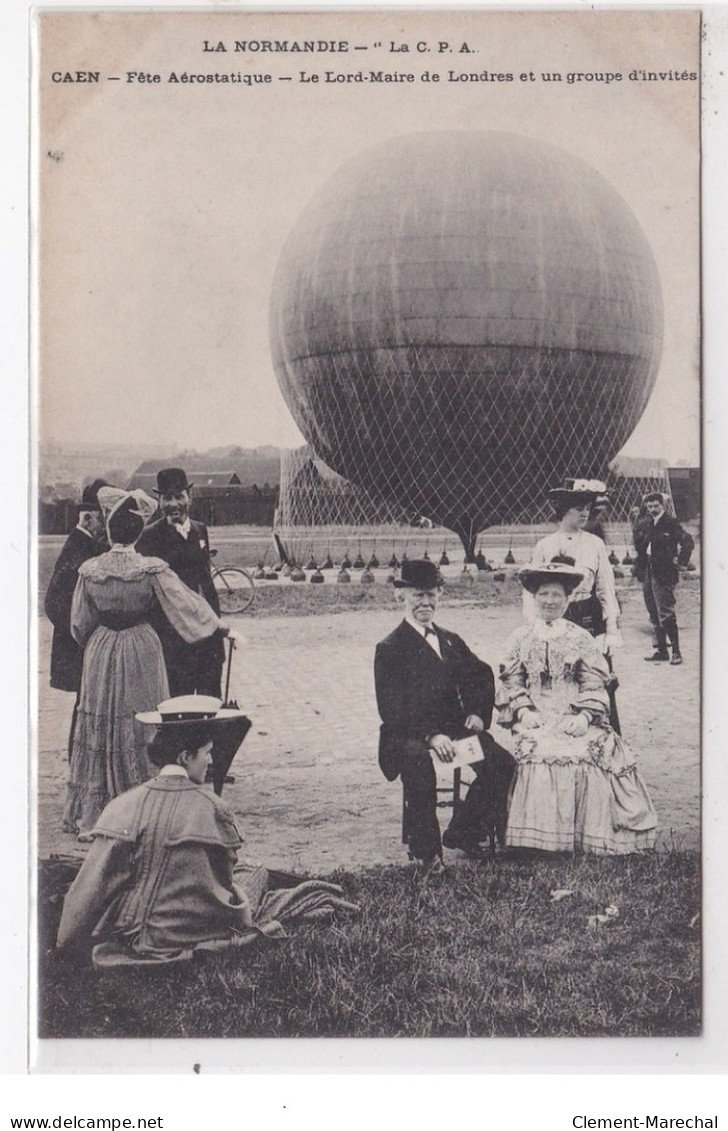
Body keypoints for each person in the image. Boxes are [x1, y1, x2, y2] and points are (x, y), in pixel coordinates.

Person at [64, 487, 234, 838]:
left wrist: (100, 642)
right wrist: (218, 626)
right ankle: (144, 804)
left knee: (103, 721)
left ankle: (97, 810)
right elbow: (185, 604)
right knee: (140, 718)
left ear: (109, 531)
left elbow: (79, 624)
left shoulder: (91, 570)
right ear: (138, 532)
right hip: (141, 647)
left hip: (101, 649)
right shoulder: (150, 569)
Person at [56, 696, 254, 966]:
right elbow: (223, 882)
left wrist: (65, 945)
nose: (210, 761)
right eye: (206, 753)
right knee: (255, 877)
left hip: (133, 935)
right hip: (196, 932)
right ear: (186, 757)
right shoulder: (215, 809)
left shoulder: (122, 806)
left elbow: (92, 886)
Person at [499, 563, 657, 855]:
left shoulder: (580, 638)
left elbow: (595, 683)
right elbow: (511, 681)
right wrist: (523, 712)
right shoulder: (520, 637)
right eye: (543, 594)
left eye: (557, 595)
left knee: (587, 750)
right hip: (534, 715)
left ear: (568, 598)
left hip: (574, 714)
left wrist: (584, 717)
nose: (549, 600)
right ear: (534, 597)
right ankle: (536, 843)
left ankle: (583, 838)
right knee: (539, 751)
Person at [374, 559, 515, 873]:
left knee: (501, 764)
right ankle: (428, 853)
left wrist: (478, 713)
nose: (425, 603)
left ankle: (463, 830)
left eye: (431, 595)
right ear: (401, 596)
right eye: (417, 596)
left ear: (439, 595)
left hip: (454, 735)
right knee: (418, 764)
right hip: (410, 737)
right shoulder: (390, 648)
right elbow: (391, 707)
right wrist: (430, 736)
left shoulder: (449, 639)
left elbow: (481, 674)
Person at [526, 477, 622, 731]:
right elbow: (531, 592)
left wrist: (611, 628)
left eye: (588, 508)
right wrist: (534, 627)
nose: (584, 513)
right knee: (559, 677)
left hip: (588, 615)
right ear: (563, 511)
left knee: (596, 676)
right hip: (557, 616)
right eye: (578, 508)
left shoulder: (595, 544)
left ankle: (604, 735)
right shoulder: (545, 545)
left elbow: (605, 589)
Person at [136, 467, 224, 697]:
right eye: (167, 498)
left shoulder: (199, 530)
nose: (173, 504)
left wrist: (217, 625)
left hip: (207, 638)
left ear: (189, 497)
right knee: (179, 707)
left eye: (178, 497)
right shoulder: (149, 536)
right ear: (159, 500)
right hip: (174, 641)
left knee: (210, 702)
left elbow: (206, 582)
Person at [44, 479, 108, 777]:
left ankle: (82, 770)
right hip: (78, 648)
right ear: (90, 517)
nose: (107, 523)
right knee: (84, 709)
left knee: (86, 708)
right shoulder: (77, 548)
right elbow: (53, 603)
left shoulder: (84, 545)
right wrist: (83, 632)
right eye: (104, 516)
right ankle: (79, 771)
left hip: (80, 647)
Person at [633, 492, 695, 665]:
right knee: (652, 609)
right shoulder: (646, 523)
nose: (652, 509)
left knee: (666, 611)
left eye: (656, 506)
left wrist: (681, 563)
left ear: (663, 506)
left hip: (664, 572)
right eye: (649, 506)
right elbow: (641, 546)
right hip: (648, 570)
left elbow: (688, 542)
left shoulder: (671, 523)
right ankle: (662, 650)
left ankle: (676, 652)